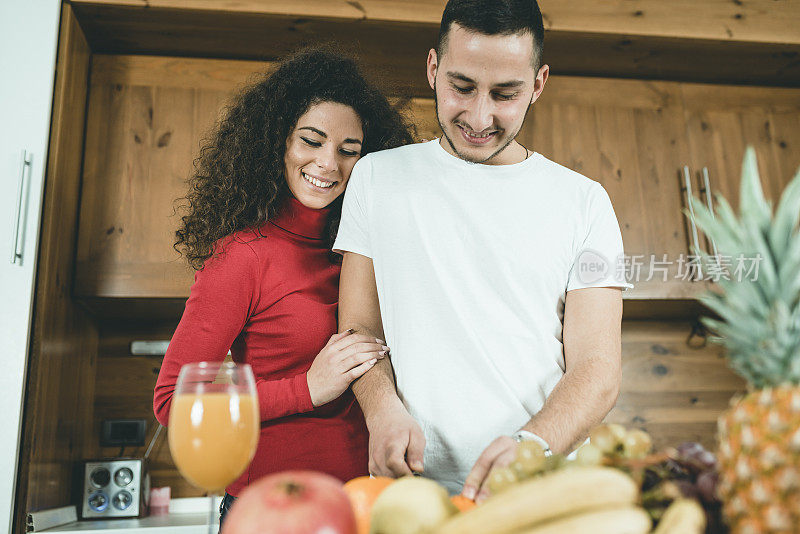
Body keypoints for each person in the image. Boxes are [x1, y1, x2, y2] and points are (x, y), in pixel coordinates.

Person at [334, 0, 633, 502]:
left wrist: (532, 446)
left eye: (505, 93)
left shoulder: (586, 203)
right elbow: (360, 330)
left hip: (538, 493)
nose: (479, 116)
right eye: (462, 86)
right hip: (412, 494)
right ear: (433, 68)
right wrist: (381, 408)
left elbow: (598, 368)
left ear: (538, 84)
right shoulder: (376, 178)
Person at [153, 47, 414, 527]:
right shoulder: (242, 256)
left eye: (348, 150)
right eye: (311, 141)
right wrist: (306, 389)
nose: (327, 164)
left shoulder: (371, 252)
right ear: (276, 140)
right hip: (275, 512)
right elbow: (174, 402)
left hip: (368, 508)